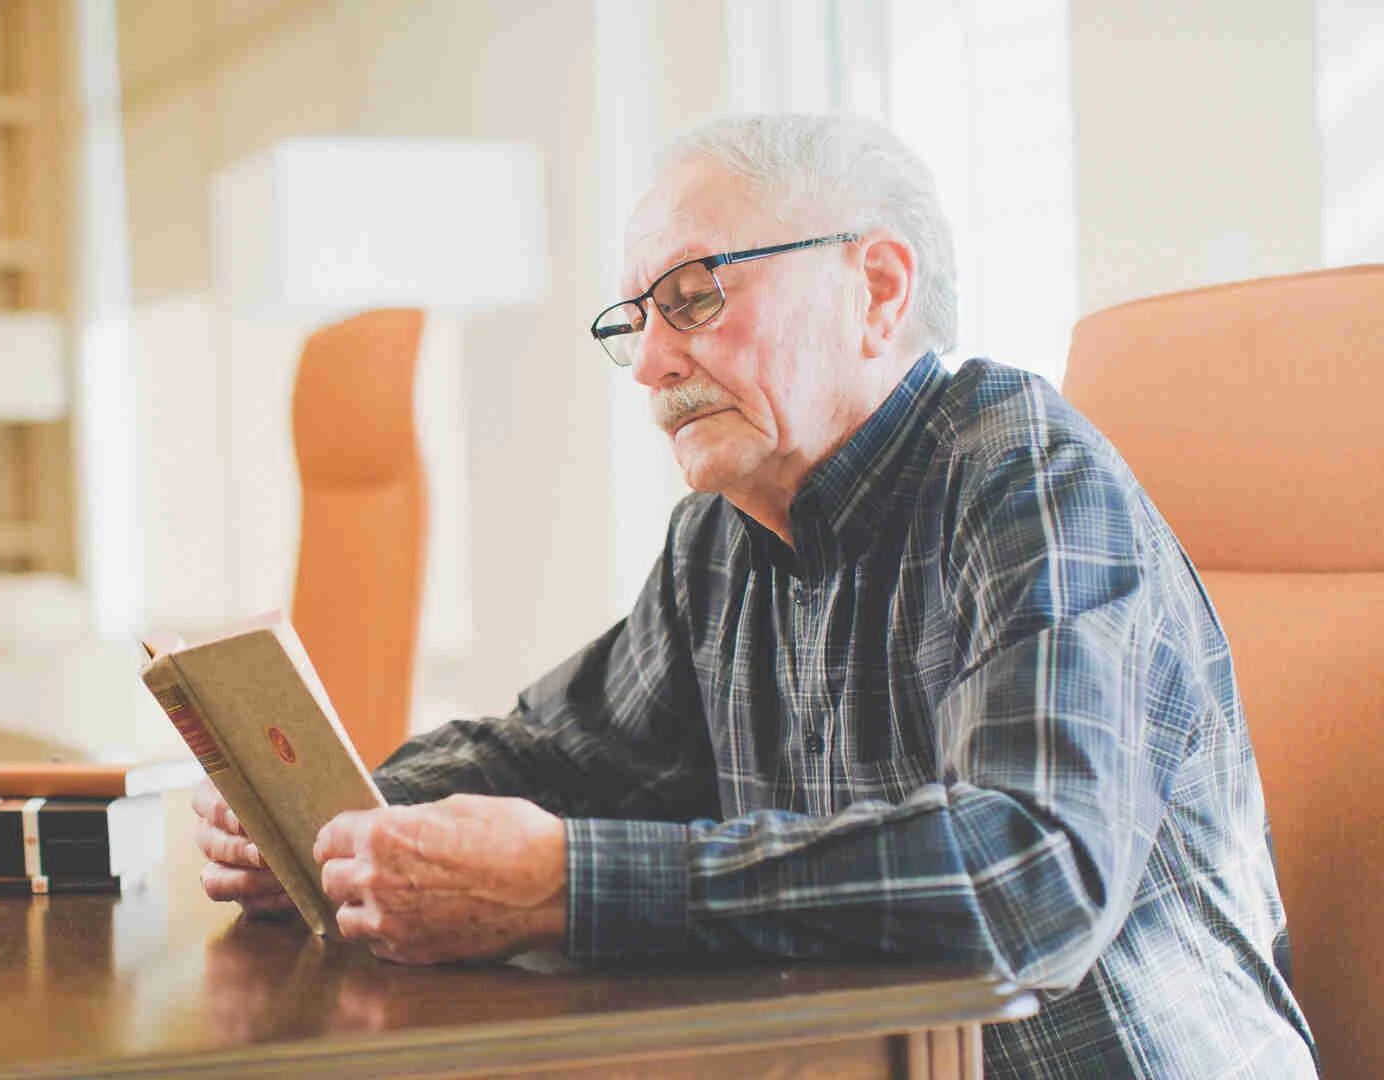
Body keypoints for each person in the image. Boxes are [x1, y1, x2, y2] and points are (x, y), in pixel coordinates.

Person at [191, 113, 1318, 1078]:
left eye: (690, 297)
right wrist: (345, 822)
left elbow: (1028, 874)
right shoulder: (718, 546)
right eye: (634, 320)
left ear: (876, 289)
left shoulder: (1020, 471)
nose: (648, 365)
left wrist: (565, 886)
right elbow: (548, 751)